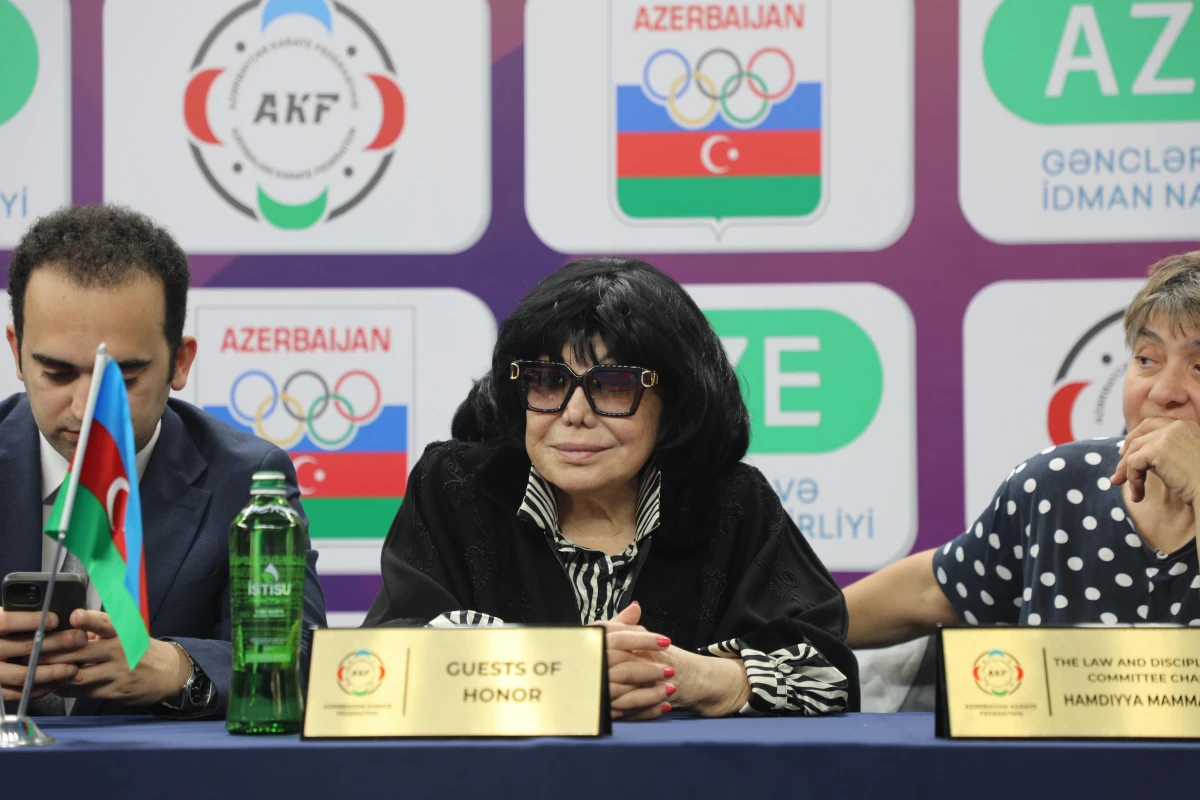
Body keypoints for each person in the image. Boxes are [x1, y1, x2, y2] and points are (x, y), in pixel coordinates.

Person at [365, 257, 858, 719]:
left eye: (613, 385)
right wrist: (559, 666)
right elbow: (383, 662)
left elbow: (829, 675)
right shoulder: (456, 486)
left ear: (676, 403)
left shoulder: (730, 502)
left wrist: (695, 677)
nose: (574, 413)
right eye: (547, 381)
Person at [0, 204, 327, 718]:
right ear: (17, 352)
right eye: (58, 373)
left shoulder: (244, 478)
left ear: (180, 361)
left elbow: (306, 660)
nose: (88, 410)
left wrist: (179, 669)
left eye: (123, 378)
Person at [846, 251, 1200, 648]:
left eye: (1199, 367)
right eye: (1147, 359)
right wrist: (779, 635)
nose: (1164, 392)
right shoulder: (1060, 485)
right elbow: (931, 593)